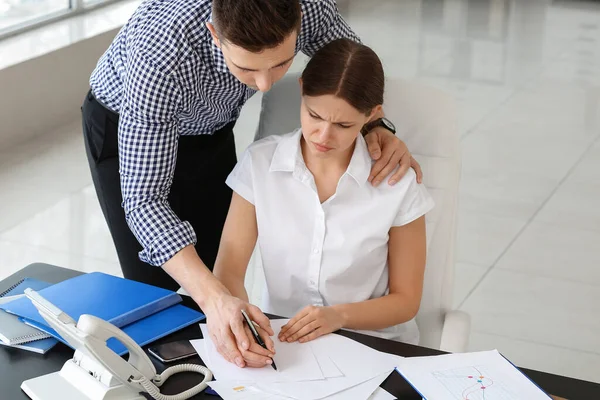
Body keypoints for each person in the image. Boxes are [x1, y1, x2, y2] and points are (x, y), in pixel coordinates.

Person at [81, 0, 422, 369]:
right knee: (155, 287)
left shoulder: (310, 8)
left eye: (281, 63)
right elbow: (144, 202)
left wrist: (375, 127)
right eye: (246, 67)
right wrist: (214, 299)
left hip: (209, 127)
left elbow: (355, 73)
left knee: (215, 267)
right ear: (215, 33)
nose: (265, 84)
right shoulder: (160, 52)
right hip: (128, 125)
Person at [213, 38, 434, 368]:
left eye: (343, 125)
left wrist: (338, 316)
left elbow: (406, 301)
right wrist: (242, 324)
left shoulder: (395, 183)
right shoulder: (260, 164)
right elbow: (229, 270)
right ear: (302, 90)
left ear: (373, 115)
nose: (323, 136)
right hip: (284, 344)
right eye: (314, 115)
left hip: (373, 347)